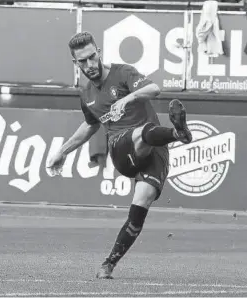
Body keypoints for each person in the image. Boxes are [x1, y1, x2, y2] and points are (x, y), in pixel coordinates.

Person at [46, 31, 193, 279]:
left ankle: (109, 264)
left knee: (141, 204)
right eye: (82, 61)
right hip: (121, 149)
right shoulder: (87, 95)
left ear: (99, 52)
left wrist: (129, 98)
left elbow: (155, 89)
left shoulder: (123, 73)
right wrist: (62, 151)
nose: (89, 65)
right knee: (141, 132)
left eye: (92, 57)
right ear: (76, 63)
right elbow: (90, 125)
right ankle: (179, 135)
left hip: (155, 148)